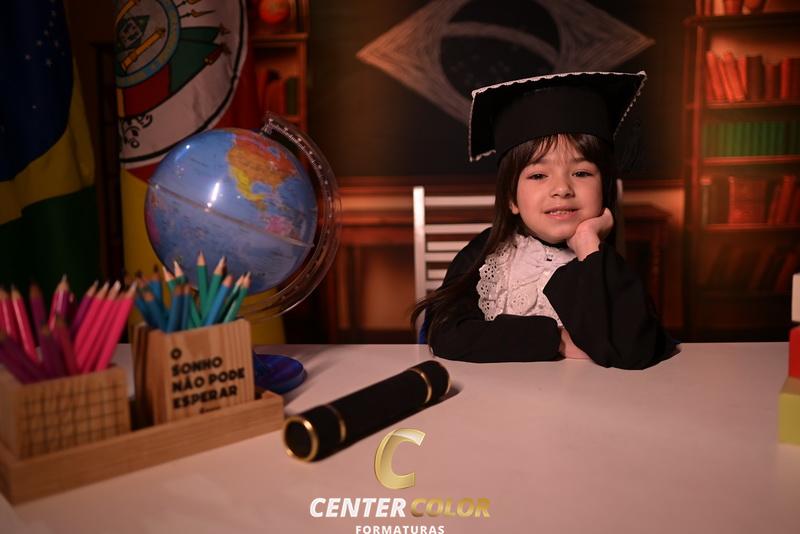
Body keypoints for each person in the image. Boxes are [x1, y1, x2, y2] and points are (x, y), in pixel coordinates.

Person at [411, 71, 677, 370]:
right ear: (511, 198)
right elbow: (446, 333)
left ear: (604, 189)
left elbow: (636, 349)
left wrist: (588, 242)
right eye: (538, 175)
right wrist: (557, 340)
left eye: (581, 173)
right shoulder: (487, 257)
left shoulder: (603, 262)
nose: (562, 189)